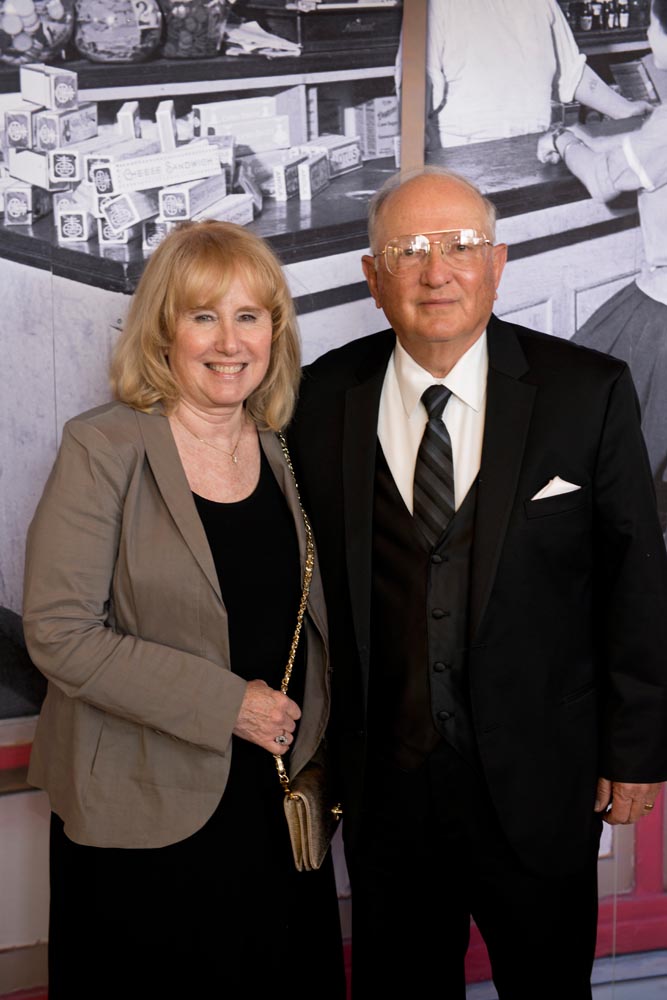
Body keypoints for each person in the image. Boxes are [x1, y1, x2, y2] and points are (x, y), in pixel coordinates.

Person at [288, 166, 667, 999]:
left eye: (460, 246)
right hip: (386, 786)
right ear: (372, 276)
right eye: (409, 250)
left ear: (496, 264)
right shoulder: (317, 400)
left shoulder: (586, 391)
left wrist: (635, 748)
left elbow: (635, 580)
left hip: (542, 775)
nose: (437, 271)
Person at [22, 220, 345, 1000]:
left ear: (274, 332)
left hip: (274, 797)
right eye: (203, 315)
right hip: (141, 805)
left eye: (248, 316)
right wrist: (227, 704)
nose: (229, 342)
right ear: (163, 332)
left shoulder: (285, 446)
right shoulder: (103, 447)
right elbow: (59, 632)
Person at [537, 0, 667, 544]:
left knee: (568, 414)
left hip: (661, 309)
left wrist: (564, 141)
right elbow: (641, 152)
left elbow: (604, 179)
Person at [396, 0, 652, 149]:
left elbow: (571, 72)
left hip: (535, 148)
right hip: (466, 156)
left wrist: (623, 109)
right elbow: (416, 80)